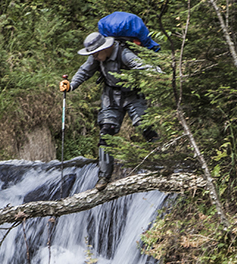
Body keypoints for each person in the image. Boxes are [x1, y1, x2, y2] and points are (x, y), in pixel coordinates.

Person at [59, 32, 162, 191]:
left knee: (145, 127)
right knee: (106, 132)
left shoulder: (124, 53)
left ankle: (163, 163)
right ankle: (104, 176)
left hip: (133, 94)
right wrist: (71, 85)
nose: (94, 57)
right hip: (111, 95)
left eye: (96, 53)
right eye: (92, 54)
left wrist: (162, 75)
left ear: (106, 48)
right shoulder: (96, 57)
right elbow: (84, 71)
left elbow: (141, 65)